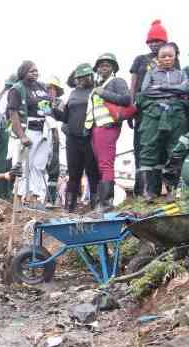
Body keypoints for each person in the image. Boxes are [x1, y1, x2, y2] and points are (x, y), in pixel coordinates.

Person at [138, 43, 189, 201]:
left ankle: (171, 191)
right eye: (163, 56)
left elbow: (185, 89)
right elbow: (146, 91)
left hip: (176, 115)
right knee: (149, 148)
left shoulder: (181, 74)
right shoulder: (150, 73)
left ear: (175, 57)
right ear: (158, 58)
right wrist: (174, 89)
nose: (167, 59)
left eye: (170, 56)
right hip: (153, 115)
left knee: (175, 150)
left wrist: (160, 87)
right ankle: (148, 191)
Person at [130, 20, 174, 197]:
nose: (154, 44)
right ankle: (141, 190)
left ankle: (159, 189)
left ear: (165, 42)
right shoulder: (140, 60)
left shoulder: (171, 58)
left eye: (158, 41)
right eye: (151, 41)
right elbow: (133, 86)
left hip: (164, 111)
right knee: (141, 147)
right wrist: (131, 109)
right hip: (143, 111)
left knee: (162, 148)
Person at [85, 53, 131, 211]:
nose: (104, 67)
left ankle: (106, 204)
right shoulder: (99, 85)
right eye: (101, 65)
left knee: (106, 164)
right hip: (96, 128)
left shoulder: (117, 81)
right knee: (101, 164)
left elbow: (126, 99)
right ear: (97, 69)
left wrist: (103, 93)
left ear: (113, 68)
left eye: (108, 64)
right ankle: (102, 202)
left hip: (108, 127)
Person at [8, 61, 53, 209]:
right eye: (31, 71)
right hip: (27, 129)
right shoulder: (17, 89)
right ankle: (18, 199)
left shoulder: (41, 87)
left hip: (43, 129)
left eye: (36, 71)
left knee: (39, 165)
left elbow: (47, 108)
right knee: (23, 165)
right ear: (23, 72)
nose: (35, 73)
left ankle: (35, 198)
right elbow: (13, 113)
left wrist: (51, 124)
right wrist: (22, 136)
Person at [54, 64, 98, 212]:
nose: (82, 80)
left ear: (91, 76)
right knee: (73, 173)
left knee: (93, 172)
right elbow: (65, 117)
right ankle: (69, 207)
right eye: (80, 77)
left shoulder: (96, 91)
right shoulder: (73, 93)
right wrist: (52, 110)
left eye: (85, 76)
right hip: (72, 139)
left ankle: (95, 206)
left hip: (90, 138)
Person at [0, 74, 17, 200]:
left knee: (4, 161)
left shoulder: (2, 95)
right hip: (5, 130)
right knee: (5, 162)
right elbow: (7, 115)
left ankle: (4, 192)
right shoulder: (9, 94)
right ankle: (1, 193)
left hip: (0, 132)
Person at [45, 77, 64, 208]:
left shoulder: (60, 103)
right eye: (48, 89)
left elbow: (61, 117)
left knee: (53, 168)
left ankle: (50, 199)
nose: (50, 91)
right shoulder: (41, 102)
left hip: (55, 137)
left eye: (53, 89)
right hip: (41, 136)